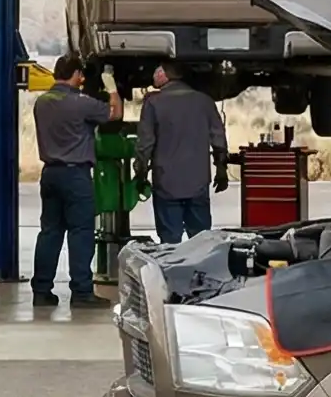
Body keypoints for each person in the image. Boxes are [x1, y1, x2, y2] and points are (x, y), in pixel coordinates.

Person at [32, 55, 118, 311]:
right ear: (77, 74)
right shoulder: (81, 103)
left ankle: (41, 291)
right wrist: (111, 87)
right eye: (82, 75)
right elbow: (115, 113)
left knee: (50, 232)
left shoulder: (42, 102)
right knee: (80, 233)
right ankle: (81, 291)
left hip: (50, 175)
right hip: (75, 176)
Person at [137, 63, 228, 245]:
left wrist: (140, 173)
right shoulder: (205, 101)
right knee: (201, 242)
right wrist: (221, 169)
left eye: (155, 70)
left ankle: (173, 273)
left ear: (164, 74)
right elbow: (219, 138)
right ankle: (202, 273)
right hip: (198, 182)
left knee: (170, 241)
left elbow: (145, 143)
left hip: (166, 183)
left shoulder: (153, 103)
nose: (152, 76)